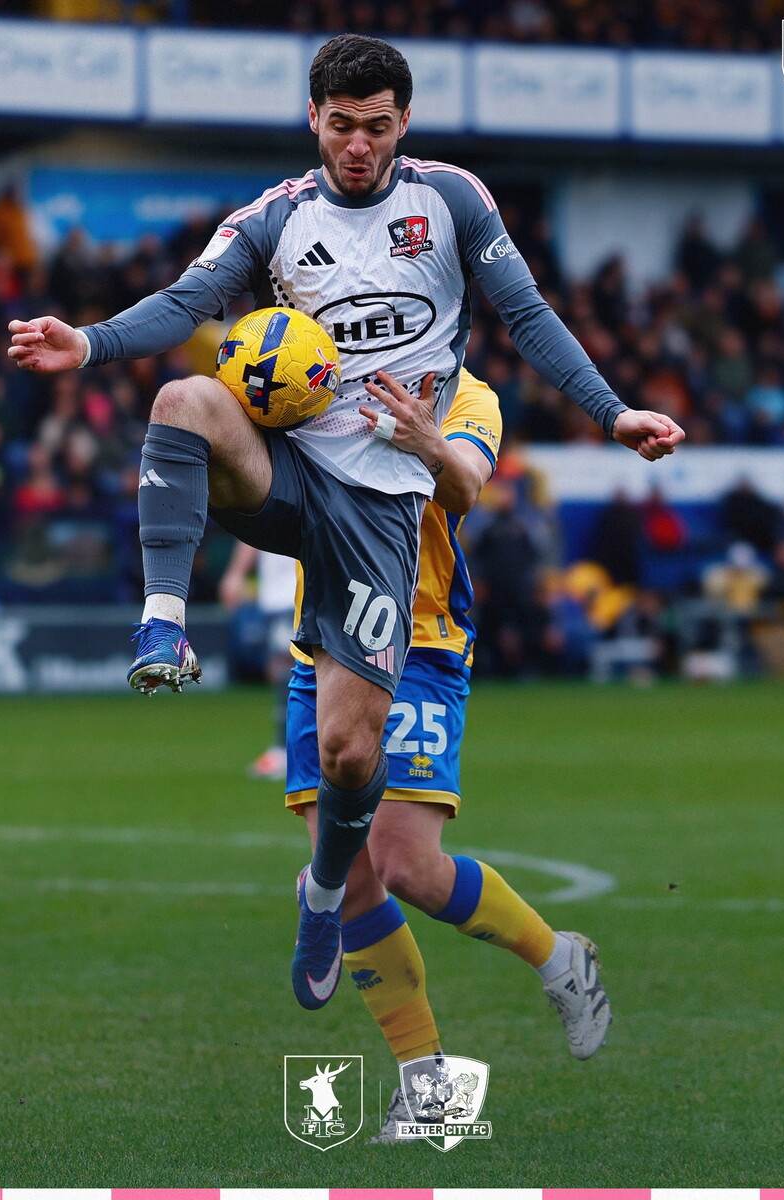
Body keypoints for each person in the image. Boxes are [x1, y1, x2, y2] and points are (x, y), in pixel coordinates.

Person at [8, 33, 684, 1011]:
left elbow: (527, 315)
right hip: (291, 476)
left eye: (375, 125)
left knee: (348, 758)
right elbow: (192, 299)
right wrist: (93, 342)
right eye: (340, 125)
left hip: (380, 511)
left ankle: (326, 888)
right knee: (183, 404)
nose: (357, 143)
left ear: (402, 123)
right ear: (313, 120)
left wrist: (612, 411)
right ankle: (163, 618)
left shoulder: (451, 201)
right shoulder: (275, 218)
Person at [286, 367, 611, 1142]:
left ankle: (557, 956)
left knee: (406, 866)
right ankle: (428, 1088)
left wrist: (424, 438)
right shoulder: (311, 365)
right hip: (320, 647)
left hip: (419, 639)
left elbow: (463, 488)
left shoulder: (470, 395)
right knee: (353, 879)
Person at [219, 543, 296, 780]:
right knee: (282, 672)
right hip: (274, 598)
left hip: (296, 595)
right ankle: (294, 750)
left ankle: (285, 751)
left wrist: (235, 573)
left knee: (288, 672)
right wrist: (236, 574)